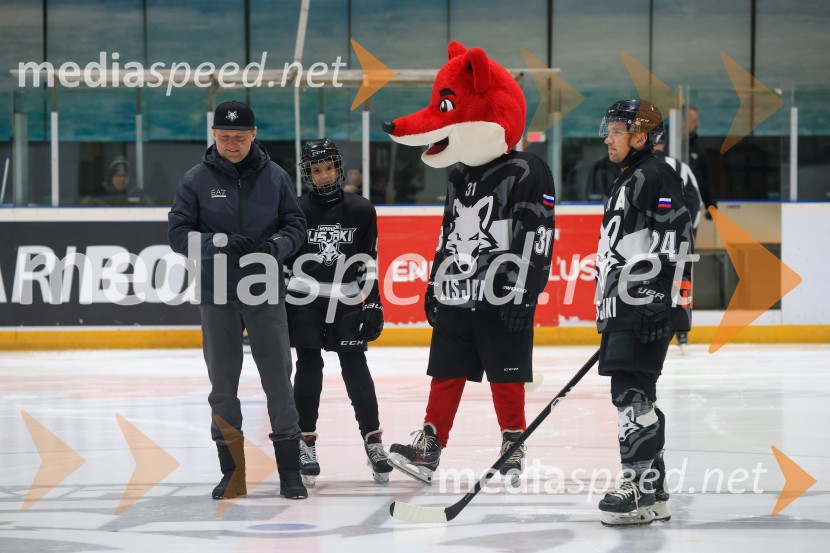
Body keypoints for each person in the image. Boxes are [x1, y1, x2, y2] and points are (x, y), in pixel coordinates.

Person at [382, 42, 556, 486]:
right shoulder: (459, 172)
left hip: (503, 289)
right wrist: (435, 282)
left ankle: (512, 445)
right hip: (458, 287)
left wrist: (525, 289)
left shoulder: (527, 169)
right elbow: (447, 230)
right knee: (446, 369)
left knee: (506, 371)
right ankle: (430, 447)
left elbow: (537, 234)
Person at [167, 100, 309, 501]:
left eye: (239, 137)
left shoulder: (276, 177)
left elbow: (296, 224)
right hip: (218, 294)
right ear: (214, 134)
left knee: (279, 382)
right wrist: (219, 243)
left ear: (254, 134)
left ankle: (290, 473)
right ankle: (233, 474)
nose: (232, 143)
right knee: (223, 385)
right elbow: (178, 236)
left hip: (265, 291)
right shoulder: (195, 180)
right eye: (224, 136)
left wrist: (276, 247)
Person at [595, 99, 693, 526]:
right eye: (608, 130)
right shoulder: (630, 177)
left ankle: (636, 487)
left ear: (641, 136)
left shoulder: (656, 174)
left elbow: (677, 238)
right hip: (627, 304)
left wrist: (658, 296)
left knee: (630, 394)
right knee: (636, 393)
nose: (607, 138)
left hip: (644, 305)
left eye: (616, 131)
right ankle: (653, 494)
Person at [284, 138, 392, 486]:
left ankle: (373, 440)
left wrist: (372, 301)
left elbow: (367, 261)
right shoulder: (295, 209)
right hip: (303, 301)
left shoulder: (361, 210)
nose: (325, 176)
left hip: (346, 301)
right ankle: (305, 441)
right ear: (308, 175)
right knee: (309, 366)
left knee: (355, 366)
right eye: (317, 170)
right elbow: (283, 263)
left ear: (339, 168)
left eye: (329, 168)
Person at [653, 141, 702, 351]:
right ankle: (681, 331)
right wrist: (688, 233)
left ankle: (655, 326)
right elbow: (694, 201)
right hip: (679, 234)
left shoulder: (638, 167)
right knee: (679, 279)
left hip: (651, 236)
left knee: (651, 278)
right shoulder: (680, 166)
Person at [80, 156, 152, 205]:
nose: (122, 179)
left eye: (125, 175)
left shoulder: (139, 195)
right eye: (119, 175)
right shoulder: (97, 195)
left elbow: (153, 210)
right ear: (111, 177)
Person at [688, 106, 717, 219]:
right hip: (667, 204)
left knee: (688, 236)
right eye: (694, 121)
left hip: (692, 204)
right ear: (683, 121)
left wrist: (711, 205)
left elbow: (705, 177)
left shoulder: (697, 146)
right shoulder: (665, 143)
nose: (697, 125)